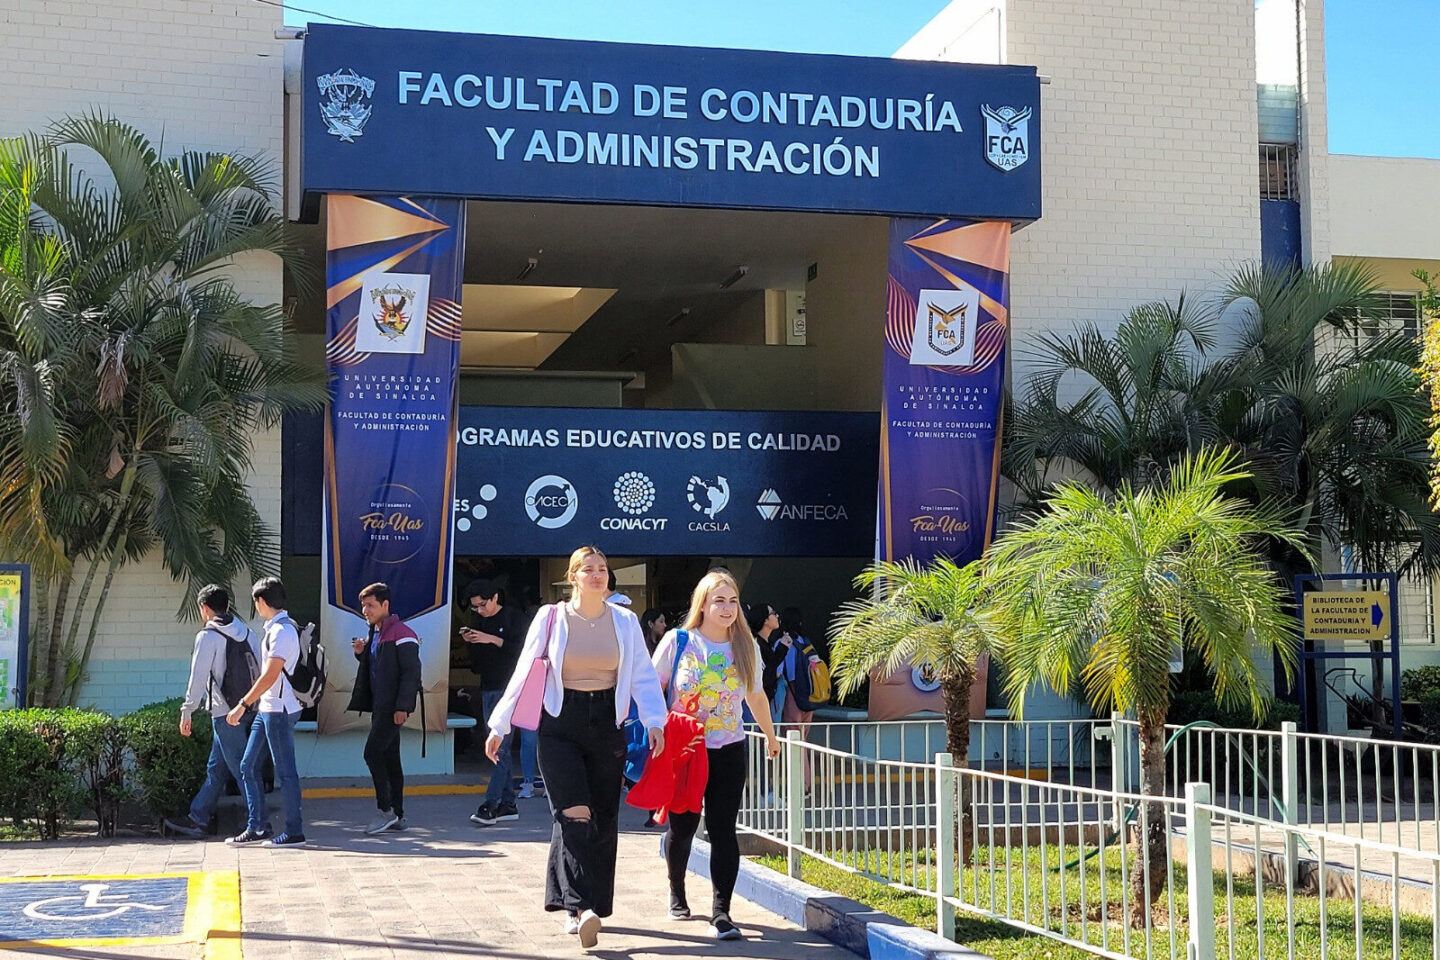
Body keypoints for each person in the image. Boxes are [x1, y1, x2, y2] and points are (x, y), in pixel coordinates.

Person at [485, 546, 666, 949]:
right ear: (573, 577)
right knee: (573, 814)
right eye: (589, 569)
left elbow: (641, 675)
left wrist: (655, 721)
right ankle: (580, 907)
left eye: (603, 569)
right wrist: (499, 724)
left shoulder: (624, 621)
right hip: (559, 723)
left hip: (607, 723)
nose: (598, 575)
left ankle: (592, 903)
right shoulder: (552, 617)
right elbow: (523, 671)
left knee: (602, 817)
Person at [653, 569, 782, 941]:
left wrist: (770, 736)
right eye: (718, 601)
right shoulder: (679, 642)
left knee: (724, 829)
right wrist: (655, 729)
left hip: (729, 748)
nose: (727, 608)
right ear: (703, 605)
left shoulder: (746, 645)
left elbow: (756, 695)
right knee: (683, 828)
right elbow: (652, 685)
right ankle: (676, 890)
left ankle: (722, 912)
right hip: (687, 751)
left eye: (733, 601)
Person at [162, 584, 262, 839]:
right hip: (247, 708)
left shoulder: (207, 636)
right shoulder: (248, 633)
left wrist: (188, 710)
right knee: (217, 768)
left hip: (224, 713)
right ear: (226, 606)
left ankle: (259, 822)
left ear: (204, 608)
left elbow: (198, 677)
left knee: (242, 768)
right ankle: (198, 817)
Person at [224, 576, 306, 847]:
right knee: (247, 766)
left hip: (278, 710)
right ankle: (257, 827)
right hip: (268, 708)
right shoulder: (276, 629)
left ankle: (294, 832)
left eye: (255, 602)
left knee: (286, 772)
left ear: (261, 602)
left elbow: (270, 675)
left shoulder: (282, 632)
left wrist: (243, 704)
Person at [347, 582, 422, 836]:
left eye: (370, 605)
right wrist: (362, 653)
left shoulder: (403, 633)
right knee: (391, 760)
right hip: (381, 707)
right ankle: (398, 814)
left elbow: (411, 673)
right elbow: (379, 668)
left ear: (385, 605)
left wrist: (403, 707)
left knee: (372, 754)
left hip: (392, 709)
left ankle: (386, 810)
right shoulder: (375, 633)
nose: (365, 610)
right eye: (363, 605)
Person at [461, 579, 529, 823]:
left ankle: (491, 804)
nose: (480, 611)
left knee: (501, 747)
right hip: (489, 687)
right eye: (475, 607)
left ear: (495, 598)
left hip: (510, 689)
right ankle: (508, 804)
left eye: (482, 605)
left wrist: (493, 639)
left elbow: (525, 652)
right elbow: (477, 665)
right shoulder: (479, 621)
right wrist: (473, 642)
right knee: (498, 748)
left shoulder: (514, 618)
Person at [745, 602, 786, 714]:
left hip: (769, 697)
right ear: (765, 620)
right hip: (756, 701)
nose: (777, 616)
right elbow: (765, 672)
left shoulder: (768, 643)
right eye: (773, 613)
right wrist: (782, 649)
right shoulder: (755, 645)